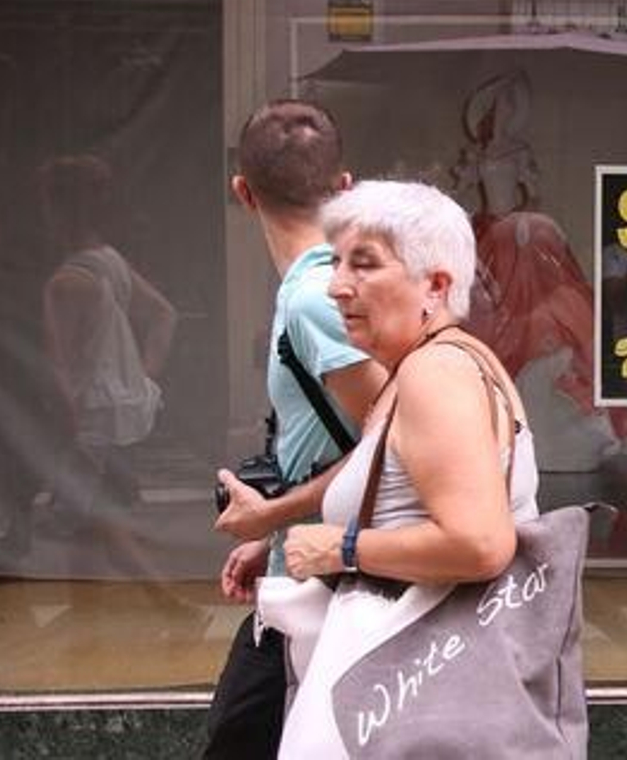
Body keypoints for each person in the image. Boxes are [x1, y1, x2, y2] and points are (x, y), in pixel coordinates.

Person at [277, 180, 540, 745]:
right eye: (337, 263)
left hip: (412, 703)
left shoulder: (434, 373)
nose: (337, 286)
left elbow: (480, 543)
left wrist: (339, 547)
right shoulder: (440, 365)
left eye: (364, 264)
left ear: (435, 286)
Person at [203, 100, 385, 758]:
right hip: (310, 573)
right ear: (345, 187)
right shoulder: (312, 293)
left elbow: (395, 442)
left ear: (242, 192)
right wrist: (272, 533)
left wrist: (274, 514)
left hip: (333, 579)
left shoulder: (317, 300)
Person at [38, 154, 176, 536]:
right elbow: (164, 314)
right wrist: (141, 380)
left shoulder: (67, 282)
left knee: (77, 528)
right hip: (117, 414)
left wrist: (66, 425)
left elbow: (59, 365)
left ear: (58, 210)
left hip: (87, 419)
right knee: (116, 522)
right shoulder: (110, 261)